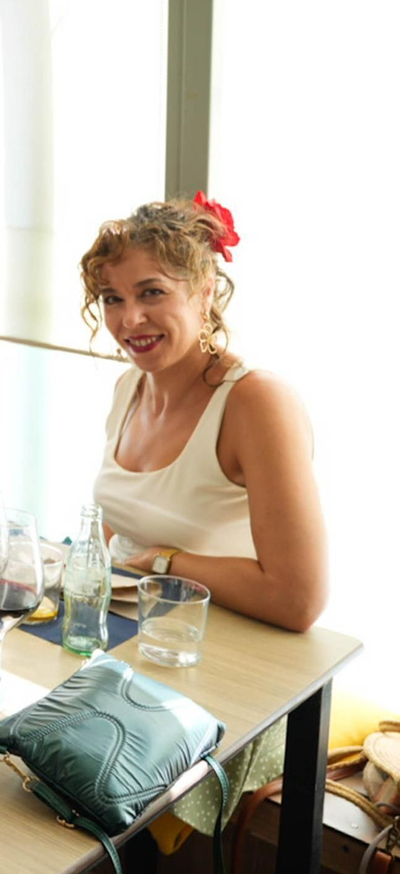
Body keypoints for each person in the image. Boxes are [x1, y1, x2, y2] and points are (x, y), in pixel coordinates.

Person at [82, 194, 328, 839]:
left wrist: (160, 563)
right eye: (111, 298)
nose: (129, 317)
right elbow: (113, 524)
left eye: (151, 292)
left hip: (219, 680)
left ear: (206, 290)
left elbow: (299, 600)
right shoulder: (129, 387)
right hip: (132, 652)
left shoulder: (255, 402)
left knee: (22, 759)